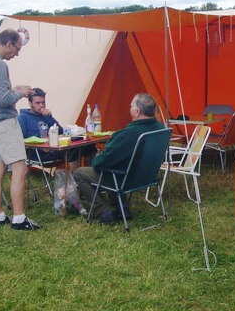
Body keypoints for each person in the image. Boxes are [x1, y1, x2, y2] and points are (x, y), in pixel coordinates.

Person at [0, 28, 42, 231]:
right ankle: (19, 219)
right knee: (20, 169)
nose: (17, 54)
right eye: (17, 49)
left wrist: (14, 89)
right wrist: (22, 93)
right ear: (8, 44)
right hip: (3, 124)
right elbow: (3, 101)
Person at [73, 93, 163, 224]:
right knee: (117, 166)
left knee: (80, 173)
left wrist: (96, 158)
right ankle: (121, 208)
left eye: (131, 106)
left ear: (137, 111)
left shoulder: (129, 134)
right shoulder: (160, 128)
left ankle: (102, 212)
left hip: (126, 180)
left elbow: (103, 161)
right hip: (148, 177)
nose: (130, 108)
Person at [18, 87, 94, 166]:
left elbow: (61, 132)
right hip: (39, 154)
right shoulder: (23, 117)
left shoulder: (45, 115)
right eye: (38, 103)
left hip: (54, 148)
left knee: (88, 145)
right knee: (73, 149)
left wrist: (49, 117)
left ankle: (88, 176)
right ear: (30, 104)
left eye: (43, 102)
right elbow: (19, 141)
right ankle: (74, 177)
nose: (41, 106)